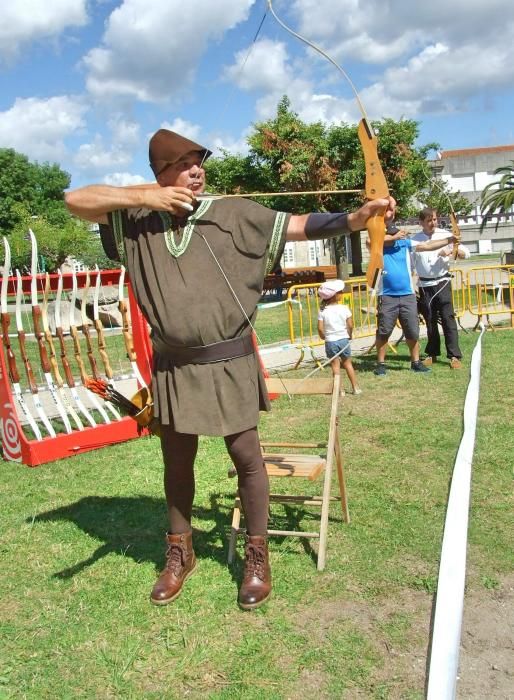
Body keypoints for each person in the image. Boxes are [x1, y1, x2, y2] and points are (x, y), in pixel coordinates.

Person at [65, 128, 395, 611]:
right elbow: (76, 199)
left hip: (230, 359)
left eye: (199, 161)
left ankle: (256, 557)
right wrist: (149, 197)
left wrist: (357, 217)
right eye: (183, 163)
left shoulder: (233, 212)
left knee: (247, 458)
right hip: (175, 367)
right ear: (161, 173)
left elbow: (303, 224)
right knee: (177, 462)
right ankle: (180, 552)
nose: (196, 170)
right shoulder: (135, 219)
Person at [371, 224, 457, 376]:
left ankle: (416, 362)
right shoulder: (378, 245)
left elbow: (428, 245)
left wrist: (449, 239)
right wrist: (392, 237)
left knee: (412, 330)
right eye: (390, 234)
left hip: (408, 295)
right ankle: (381, 364)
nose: (394, 237)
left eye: (395, 234)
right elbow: (371, 241)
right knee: (384, 331)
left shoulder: (405, 244)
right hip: (387, 295)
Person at [410, 208, 470, 369]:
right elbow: (410, 263)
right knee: (429, 320)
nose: (433, 223)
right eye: (429, 220)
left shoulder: (446, 235)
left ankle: (454, 355)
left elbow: (465, 253)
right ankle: (432, 353)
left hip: (442, 282)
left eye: (435, 219)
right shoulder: (415, 240)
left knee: (447, 318)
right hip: (424, 285)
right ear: (421, 222)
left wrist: (451, 250)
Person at [317, 279, 361, 395]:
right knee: (348, 364)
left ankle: (340, 390)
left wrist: (323, 337)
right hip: (343, 340)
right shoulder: (344, 308)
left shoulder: (322, 311)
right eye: (340, 292)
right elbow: (350, 325)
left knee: (335, 367)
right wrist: (349, 335)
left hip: (331, 342)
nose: (342, 293)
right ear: (334, 295)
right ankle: (355, 388)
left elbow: (320, 329)